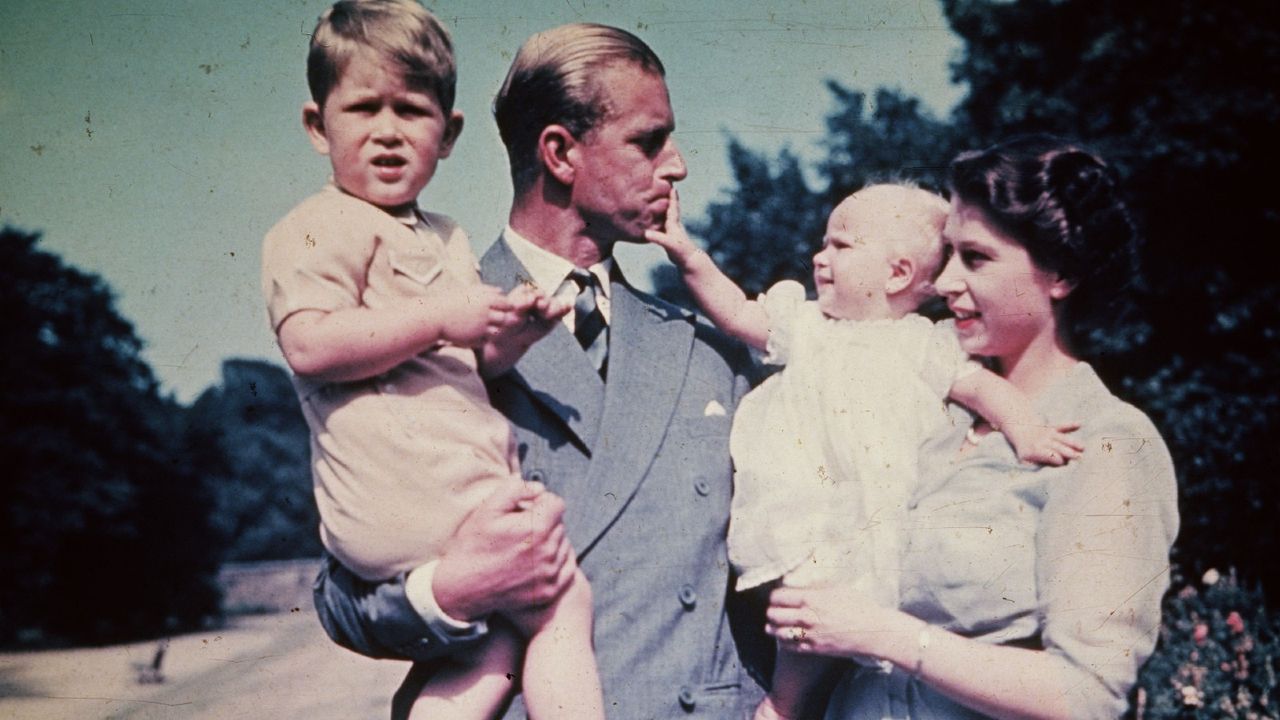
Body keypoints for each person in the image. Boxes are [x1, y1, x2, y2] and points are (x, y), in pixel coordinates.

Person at [311, 22, 770, 720]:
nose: (676, 166)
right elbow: (342, 596)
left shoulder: (708, 351)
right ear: (559, 152)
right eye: (649, 141)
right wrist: (451, 592)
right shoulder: (416, 327)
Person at [260, 2, 604, 718]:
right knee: (564, 598)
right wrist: (441, 315)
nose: (387, 133)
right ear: (318, 127)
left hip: (444, 489)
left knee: (492, 645)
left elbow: (473, 364)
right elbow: (309, 344)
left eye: (412, 112)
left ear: (446, 135)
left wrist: (514, 336)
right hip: (406, 492)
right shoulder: (316, 228)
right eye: (362, 109)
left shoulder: (443, 236)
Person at [762, 137, 1180, 719]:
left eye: (976, 259)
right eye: (948, 254)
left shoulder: (1107, 442)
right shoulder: (925, 415)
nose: (944, 281)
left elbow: (1086, 695)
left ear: (1058, 274)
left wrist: (881, 634)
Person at [646, 183, 1083, 720]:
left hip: (875, 513)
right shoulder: (808, 326)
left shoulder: (924, 344)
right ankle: (788, 703)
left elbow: (983, 390)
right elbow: (738, 312)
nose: (818, 256)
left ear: (896, 274)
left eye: (840, 246)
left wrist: (1028, 429)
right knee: (804, 605)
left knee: (845, 609)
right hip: (804, 505)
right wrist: (689, 257)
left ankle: (797, 704)